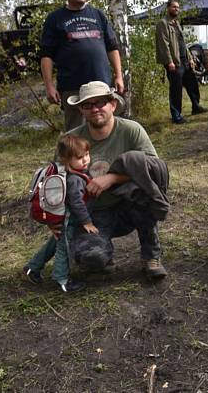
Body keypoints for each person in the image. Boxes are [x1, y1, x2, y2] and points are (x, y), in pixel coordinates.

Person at [67, 81, 168, 279]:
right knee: (91, 259)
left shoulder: (131, 130)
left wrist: (111, 178)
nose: (95, 109)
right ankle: (104, 253)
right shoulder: (71, 139)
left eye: (100, 103)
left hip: (130, 204)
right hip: (92, 214)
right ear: (81, 110)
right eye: (88, 105)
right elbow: (58, 182)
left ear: (112, 104)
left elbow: (154, 169)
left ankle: (151, 256)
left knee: (144, 185)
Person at [40, 0, 124, 132]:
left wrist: (118, 76)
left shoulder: (98, 15)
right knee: (76, 134)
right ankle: (74, 158)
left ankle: (104, 158)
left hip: (102, 85)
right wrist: (49, 86)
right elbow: (46, 56)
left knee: (105, 129)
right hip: (72, 87)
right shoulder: (54, 19)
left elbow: (112, 47)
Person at [23, 134, 99, 292]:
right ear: (66, 159)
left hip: (66, 219)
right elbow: (77, 203)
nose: (85, 160)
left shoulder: (77, 173)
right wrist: (87, 222)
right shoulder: (74, 180)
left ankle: (32, 268)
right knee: (63, 247)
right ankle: (62, 279)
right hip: (68, 221)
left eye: (87, 154)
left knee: (54, 243)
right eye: (80, 157)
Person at [155, 0, 208, 124]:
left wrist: (190, 58)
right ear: (168, 8)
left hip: (185, 60)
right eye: (174, 7)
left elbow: (183, 43)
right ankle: (176, 115)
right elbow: (164, 44)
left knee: (192, 84)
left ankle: (196, 106)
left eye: (178, 7)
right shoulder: (163, 23)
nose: (176, 9)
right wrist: (169, 62)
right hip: (174, 62)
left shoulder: (176, 23)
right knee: (176, 89)